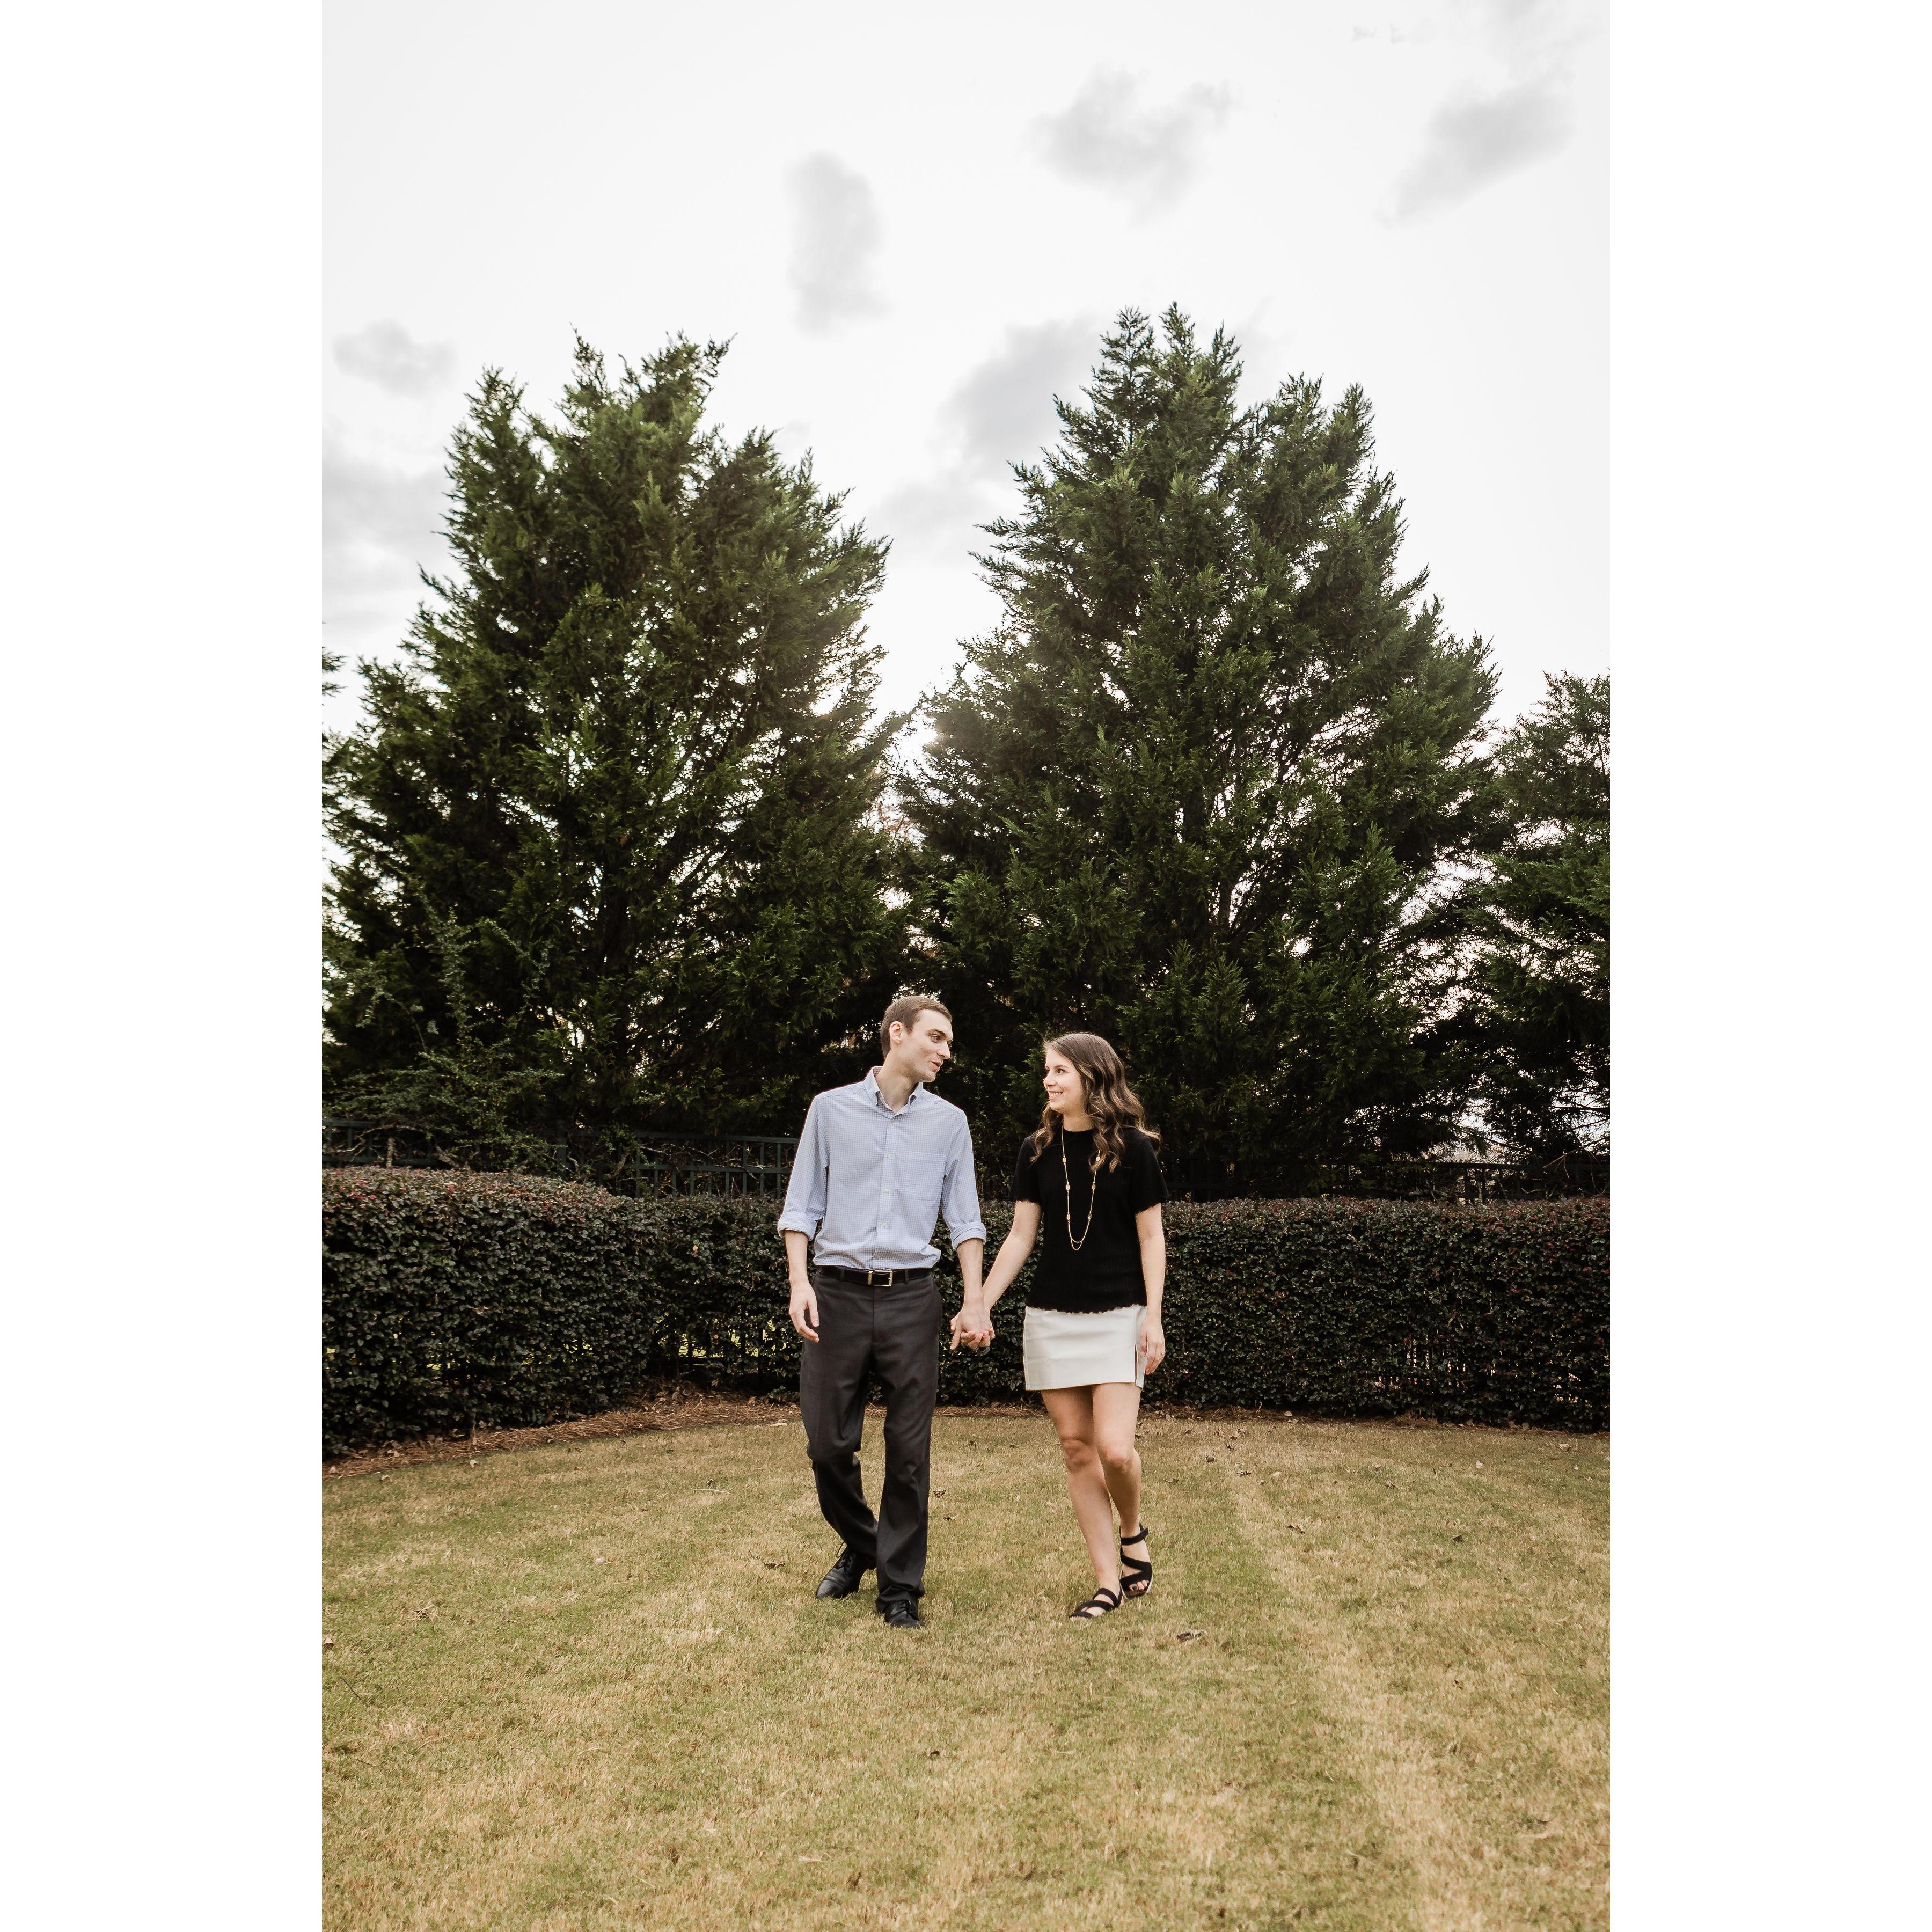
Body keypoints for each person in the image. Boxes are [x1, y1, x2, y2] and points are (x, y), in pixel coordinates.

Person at [777, 997, 985, 1630]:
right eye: (937, 1038)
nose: (946, 1051)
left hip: (911, 1299)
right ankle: (867, 1544)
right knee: (826, 1445)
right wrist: (799, 1282)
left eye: (950, 1042)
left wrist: (974, 1298)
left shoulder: (950, 1124)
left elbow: (965, 1220)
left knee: (909, 1450)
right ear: (898, 1033)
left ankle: (900, 1589)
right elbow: (801, 1206)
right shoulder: (829, 1109)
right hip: (835, 1294)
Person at [951, 1031, 1167, 1620]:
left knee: (1115, 1451)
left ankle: (1132, 1529)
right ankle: (1107, 1582)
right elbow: (1020, 1237)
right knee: (1076, 1449)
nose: (1048, 1080)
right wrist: (980, 1303)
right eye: (1047, 1070)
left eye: (1060, 1070)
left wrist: (1154, 1316)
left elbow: (1152, 1237)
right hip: (1050, 1317)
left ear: (1093, 1076)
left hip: (1120, 1315)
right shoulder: (1036, 1149)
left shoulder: (1135, 1149)